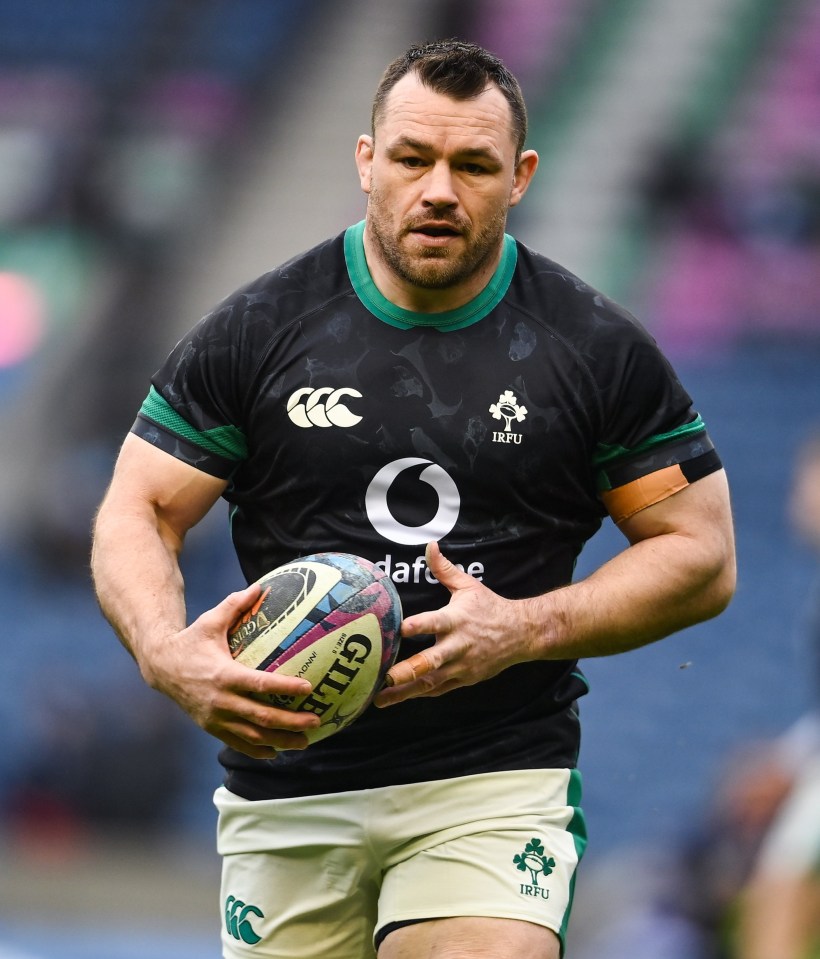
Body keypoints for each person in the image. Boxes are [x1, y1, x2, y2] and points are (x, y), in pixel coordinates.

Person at [90, 39, 736, 959]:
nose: (439, 189)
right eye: (411, 158)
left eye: (473, 165)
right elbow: (138, 509)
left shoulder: (594, 349)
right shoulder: (258, 330)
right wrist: (164, 652)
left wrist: (528, 628)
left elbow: (701, 554)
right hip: (291, 792)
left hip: (491, 779)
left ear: (520, 177)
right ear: (366, 162)